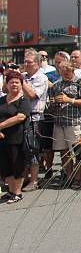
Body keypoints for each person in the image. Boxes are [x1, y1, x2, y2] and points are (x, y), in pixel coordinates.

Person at [48, 61, 81, 187]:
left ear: (72, 71)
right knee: (64, 152)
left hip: (74, 122)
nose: (65, 75)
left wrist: (69, 100)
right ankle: (69, 176)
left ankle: (78, 178)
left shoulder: (79, 82)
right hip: (59, 122)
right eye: (62, 73)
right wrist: (53, 102)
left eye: (67, 73)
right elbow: (50, 104)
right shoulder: (56, 85)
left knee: (77, 151)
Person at [0, 71, 32, 204]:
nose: (14, 84)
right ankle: (11, 191)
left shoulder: (24, 100)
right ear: (6, 84)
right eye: (11, 82)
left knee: (17, 165)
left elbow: (21, 117)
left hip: (17, 138)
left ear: (21, 84)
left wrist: (0, 126)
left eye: (17, 82)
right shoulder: (1, 100)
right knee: (5, 166)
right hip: (2, 139)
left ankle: (18, 192)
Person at [21, 50, 49, 192]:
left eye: (29, 62)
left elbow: (32, 95)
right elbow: (5, 90)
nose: (26, 64)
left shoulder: (41, 78)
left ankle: (34, 180)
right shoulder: (22, 76)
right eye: (25, 61)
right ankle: (23, 178)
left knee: (33, 149)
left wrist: (20, 81)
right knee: (22, 149)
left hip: (35, 118)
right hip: (20, 117)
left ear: (38, 64)